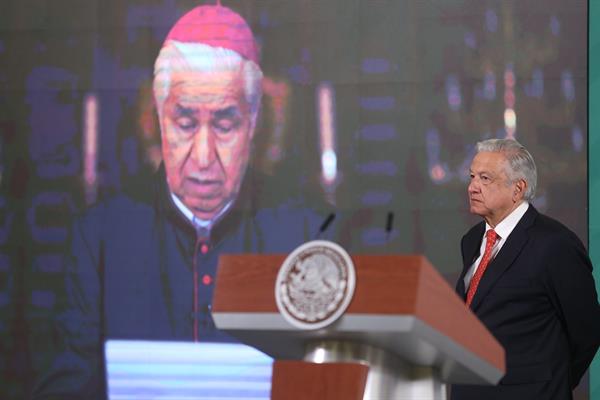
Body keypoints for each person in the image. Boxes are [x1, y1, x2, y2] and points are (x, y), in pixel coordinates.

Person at [32, 4, 327, 399]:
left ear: (253, 122)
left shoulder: (306, 236)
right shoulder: (101, 237)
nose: (203, 156)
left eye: (224, 124)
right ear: (159, 117)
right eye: (186, 123)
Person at [452, 138, 600, 399]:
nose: (473, 187)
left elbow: (586, 331)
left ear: (518, 188)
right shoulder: (472, 240)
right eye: (472, 176)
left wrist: (552, 383)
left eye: (485, 179)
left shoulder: (555, 243)